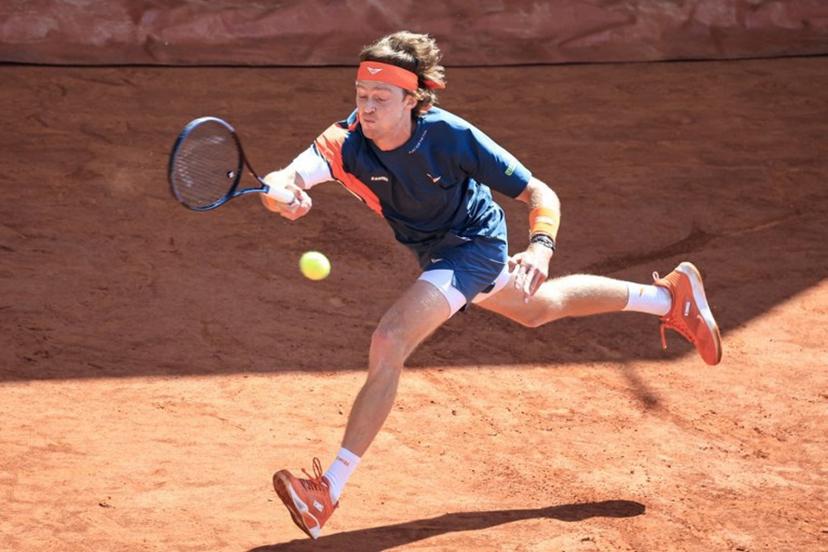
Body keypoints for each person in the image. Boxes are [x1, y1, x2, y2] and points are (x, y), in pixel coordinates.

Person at [261, 31, 722, 540]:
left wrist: (541, 246)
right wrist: (282, 196)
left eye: (380, 99)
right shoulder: (344, 141)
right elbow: (286, 178)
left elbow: (538, 192)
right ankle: (668, 297)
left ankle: (328, 489)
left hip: (474, 244)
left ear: (412, 100)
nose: (366, 108)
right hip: (432, 249)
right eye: (360, 96)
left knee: (390, 340)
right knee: (538, 309)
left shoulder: (450, 136)